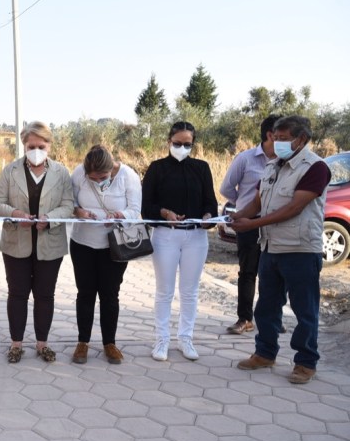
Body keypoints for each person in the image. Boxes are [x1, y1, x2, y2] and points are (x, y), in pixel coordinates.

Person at [232, 116, 330, 384]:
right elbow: (258, 201)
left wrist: (252, 224)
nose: (278, 142)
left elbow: (293, 208)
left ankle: (305, 362)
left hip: (300, 250)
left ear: (302, 140)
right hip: (271, 248)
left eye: (284, 138)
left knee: (304, 309)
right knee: (266, 306)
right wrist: (235, 218)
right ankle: (265, 353)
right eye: (275, 137)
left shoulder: (315, 167)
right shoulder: (273, 166)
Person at [0, 121, 74, 364]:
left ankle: (42, 344)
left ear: (49, 145)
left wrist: (49, 219)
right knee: (17, 294)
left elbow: (68, 205)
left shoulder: (61, 172)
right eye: (31, 146)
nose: (36, 150)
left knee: (45, 295)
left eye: (41, 145)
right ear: (24, 145)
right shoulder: (10, 170)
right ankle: (16, 344)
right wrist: (16, 215)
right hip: (16, 242)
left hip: (50, 243)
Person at [142, 121, 218, 362]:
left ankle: (186, 338)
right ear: (169, 141)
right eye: (178, 143)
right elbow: (146, 207)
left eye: (187, 144)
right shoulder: (156, 168)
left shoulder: (202, 168)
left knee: (190, 291)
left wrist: (207, 217)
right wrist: (165, 213)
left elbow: (211, 203)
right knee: (164, 291)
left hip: (196, 236)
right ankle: (161, 339)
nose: (182, 148)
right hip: (166, 235)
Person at [70, 145, 142, 364]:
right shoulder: (78, 174)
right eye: (93, 178)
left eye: (102, 177)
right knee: (85, 293)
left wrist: (120, 215)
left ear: (111, 168)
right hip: (82, 243)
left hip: (114, 246)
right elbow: (69, 202)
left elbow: (135, 210)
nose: (98, 181)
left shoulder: (128, 176)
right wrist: (78, 211)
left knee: (110, 295)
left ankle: (109, 343)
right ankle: (82, 343)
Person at [219, 115, 282, 335]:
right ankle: (245, 319)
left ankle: (273, 317)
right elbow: (226, 188)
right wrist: (245, 205)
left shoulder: (285, 162)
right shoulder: (245, 159)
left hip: (277, 224)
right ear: (270, 135)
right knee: (248, 272)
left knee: (274, 272)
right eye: (282, 135)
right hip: (249, 223)